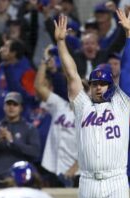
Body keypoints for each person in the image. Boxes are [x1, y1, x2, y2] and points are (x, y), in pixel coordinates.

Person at [55, 8, 130, 198]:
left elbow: (126, 67)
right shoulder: (82, 106)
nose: (99, 87)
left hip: (115, 180)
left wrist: (129, 33)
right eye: (95, 83)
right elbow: (70, 72)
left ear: (110, 85)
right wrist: (62, 43)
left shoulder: (122, 104)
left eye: (103, 82)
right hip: (88, 180)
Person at [34, 45, 78, 187]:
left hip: (78, 173)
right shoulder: (60, 105)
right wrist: (44, 61)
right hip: (53, 167)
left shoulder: (91, 115)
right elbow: (39, 86)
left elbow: (92, 148)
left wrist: (75, 168)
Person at [0, 92, 41, 187]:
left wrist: (12, 142)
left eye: (15, 105)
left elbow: (35, 153)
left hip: (21, 180)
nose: (11, 107)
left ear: (21, 108)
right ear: (4, 107)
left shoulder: (29, 129)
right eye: (8, 104)